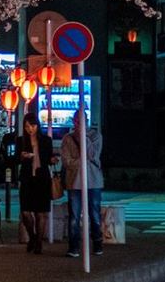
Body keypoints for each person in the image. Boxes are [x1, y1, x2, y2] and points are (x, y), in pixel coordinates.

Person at [60, 110, 104, 258]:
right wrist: (82, 162)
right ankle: (74, 246)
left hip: (93, 181)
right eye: (77, 121)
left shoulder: (95, 136)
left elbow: (92, 154)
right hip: (74, 182)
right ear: (74, 122)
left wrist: (83, 137)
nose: (80, 124)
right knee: (74, 215)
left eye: (82, 121)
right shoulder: (67, 139)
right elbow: (67, 162)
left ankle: (97, 243)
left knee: (95, 214)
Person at [15, 113, 55, 255]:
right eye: (27, 126)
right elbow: (15, 158)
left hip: (42, 178)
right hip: (27, 178)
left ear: (37, 125)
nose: (30, 129)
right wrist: (22, 156)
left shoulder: (46, 140)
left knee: (40, 213)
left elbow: (49, 157)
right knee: (25, 211)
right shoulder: (21, 141)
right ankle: (32, 237)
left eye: (32, 126)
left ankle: (38, 241)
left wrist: (52, 159)